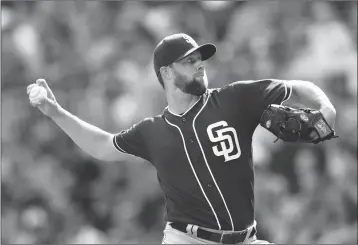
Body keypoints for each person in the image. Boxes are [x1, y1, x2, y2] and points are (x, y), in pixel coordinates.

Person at [27, 33, 336, 244]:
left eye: (200, 59)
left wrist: (326, 109)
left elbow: (298, 86)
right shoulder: (152, 131)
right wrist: (55, 112)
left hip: (245, 238)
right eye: (189, 61)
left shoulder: (234, 99)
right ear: (167, 72)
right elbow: (101, 145)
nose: (199, 65)